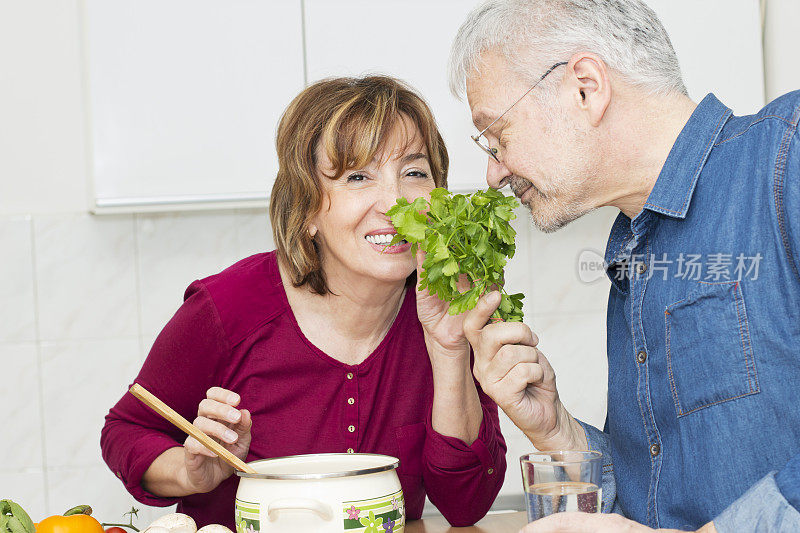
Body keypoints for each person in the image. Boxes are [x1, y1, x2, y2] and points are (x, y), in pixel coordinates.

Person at [447, 1, 800, 532]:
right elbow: (656, 502)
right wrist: (559, 431)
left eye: (497, 136)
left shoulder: (785, 155)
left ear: (586, 87)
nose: (494, 171)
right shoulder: (633, 252)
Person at [101, 76, 506, 529]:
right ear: (307, 209)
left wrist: (450, 353)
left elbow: (465, 505)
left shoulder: (449, 311)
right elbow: (127, 430)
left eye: (414, 173)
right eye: (357, 176)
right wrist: (190, 472)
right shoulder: (228, 308)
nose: (395, 202)